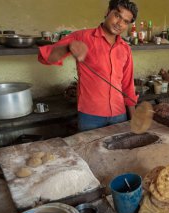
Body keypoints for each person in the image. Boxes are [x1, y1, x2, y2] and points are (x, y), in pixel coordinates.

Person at [38, 0, 138, 131]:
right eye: (117, 15)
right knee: (89, 151)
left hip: (119, 114)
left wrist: (134, 118)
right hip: (91, 117)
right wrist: (68, 47)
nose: (120, 23)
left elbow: (127, 86)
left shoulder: (125, 49)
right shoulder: (82, 37)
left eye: (125, 21)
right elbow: (45, 57)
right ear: (108, 11)